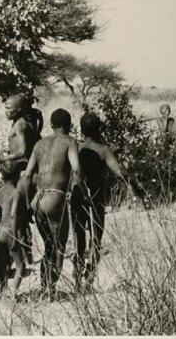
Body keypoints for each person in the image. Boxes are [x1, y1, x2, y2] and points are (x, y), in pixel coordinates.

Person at [24, 108, 85, 298]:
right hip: (56, 197)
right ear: (69, 125)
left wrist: (28, 203)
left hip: (38, 200)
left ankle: (45, 286)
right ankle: (51, 290)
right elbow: (76, 170)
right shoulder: (70, 142)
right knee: (59, 247)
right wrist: (82, 192)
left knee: (48, 245)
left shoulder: (39, 144)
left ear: (51, 125)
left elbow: (27, 176)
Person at [70, 113, 130, 292]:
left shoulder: (77, 148)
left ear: (81, 129)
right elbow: (120, 172)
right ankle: (89, 278)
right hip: (96, 198)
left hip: (77, 197)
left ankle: (76, 279)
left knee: (78, 238)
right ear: (98, 129)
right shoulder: (103, 150)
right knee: (95, 239)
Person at [0, 160, 27, 295]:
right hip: (10, 231)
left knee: (5, 264)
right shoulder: (16, 193)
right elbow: (13, 215)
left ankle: (3, 290)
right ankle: (13, 294)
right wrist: (16, 236)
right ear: (17, 175)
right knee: (20, 266)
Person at [0, 95, 41, 183]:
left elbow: (23, 151)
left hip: (22, 165)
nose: (6, 112)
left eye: (9, 109)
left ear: (19, 109)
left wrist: (4, 158)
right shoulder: (20, 122)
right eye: (5, 109)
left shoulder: (19, 125)